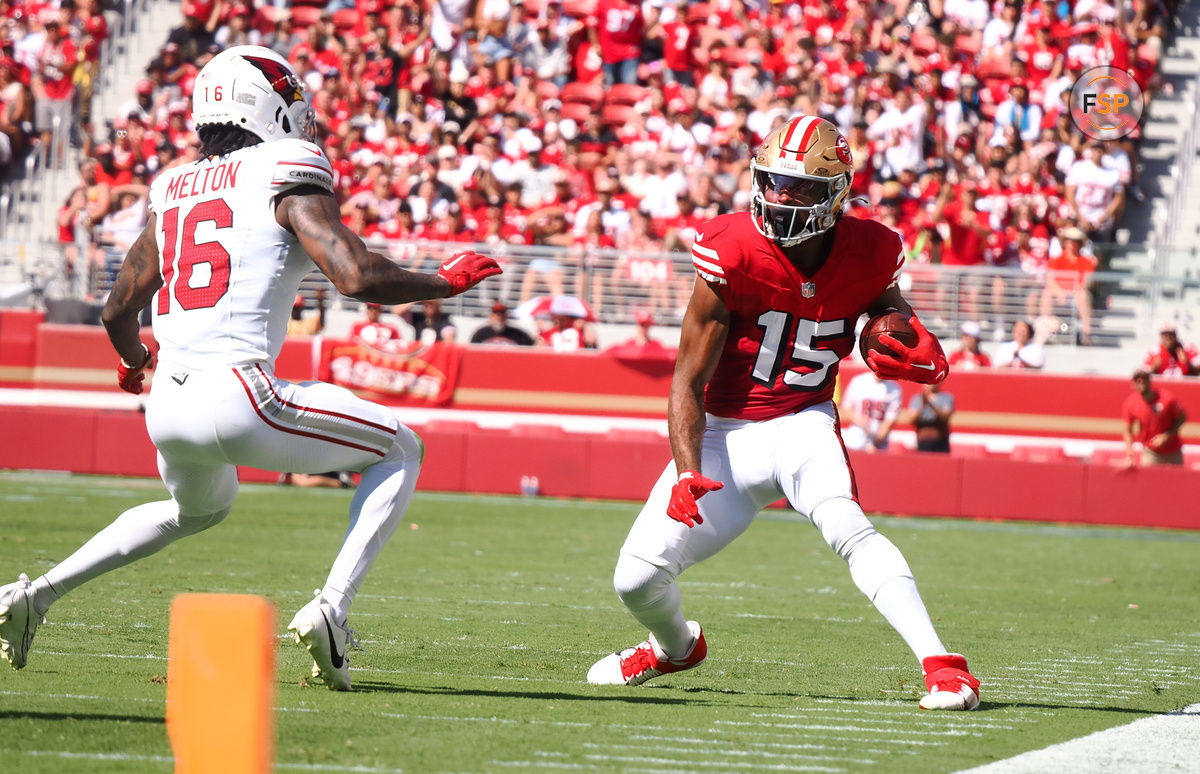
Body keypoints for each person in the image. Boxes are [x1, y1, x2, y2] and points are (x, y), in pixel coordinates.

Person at [0, 47, 501, 689]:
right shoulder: (284, 165)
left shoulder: (173, 186)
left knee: (197, 509)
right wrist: (439, 283)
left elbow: (117, 308)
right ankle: (332, 609)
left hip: (168, 406)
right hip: (240, 392)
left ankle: (34, 595)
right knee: (400, 449)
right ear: (265, 104)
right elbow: (353, 275)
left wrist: (134, 363)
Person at [586, 116, 980, 711]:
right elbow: (687, 380)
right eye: (771, 182)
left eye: (797, 188)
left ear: (836, 194)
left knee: (847, 524)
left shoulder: (873, 248)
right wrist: (687, 469)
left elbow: (888, 311)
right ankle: (675, 647)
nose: (779, 198)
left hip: (803, 421)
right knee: (634, 580)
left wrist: (904, 335)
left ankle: (944, 668)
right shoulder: (731, 247)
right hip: (723, 436)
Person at [1122, 370, 1187, 467]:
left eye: (1144, 378)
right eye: (1137, 380)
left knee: (1177, 481)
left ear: (1149, 381)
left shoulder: (1167, 398)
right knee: (1147, 481)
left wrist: (1167, 435)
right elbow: (1127, 430)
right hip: (1150, 451)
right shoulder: (1131, 404)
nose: (1141, 382)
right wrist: (1129, 455)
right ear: (1133, 384)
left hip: (1173, 451)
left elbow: (1182, 417)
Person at [839, 370, 902, 452]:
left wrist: (875, 443)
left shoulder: (894, 389)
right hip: (855, 440)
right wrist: (858, 419)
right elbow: (847, 407)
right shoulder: (859, 381)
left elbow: (889, 421)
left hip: (879, 444)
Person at [903, 383, 956, 453]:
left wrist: (931, 404)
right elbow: (911, 420)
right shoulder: (917, 398)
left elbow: (945, 417)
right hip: (923, 441)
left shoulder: (946, 397)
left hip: (940, 440)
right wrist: (922, 405)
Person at [470, 302, 534, 346]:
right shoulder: (481, 334)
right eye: (496, 315)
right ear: (491, 316)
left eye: (502, 315)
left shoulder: (519, 335)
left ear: (506, 317)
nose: (499, 318)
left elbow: (529, 350)